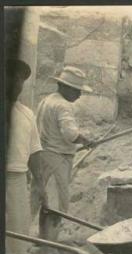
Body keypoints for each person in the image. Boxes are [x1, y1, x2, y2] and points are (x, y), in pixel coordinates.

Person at [30, 66, 94, 239]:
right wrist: (85, 140)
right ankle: (49, 244)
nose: (79, 95)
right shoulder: (63, 106)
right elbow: (70, 134)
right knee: (56, 204)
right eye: (77, 91)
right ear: (65, 87)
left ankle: (26, 238)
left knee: (39, 199)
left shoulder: (47, 100)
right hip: (56, 158)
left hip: (40, 157)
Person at [5, 58, 47, 254]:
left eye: (20, 79)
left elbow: (34, 150)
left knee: (18, 227)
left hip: (18, 179)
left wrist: (39, 183)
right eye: (12, 77)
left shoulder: (27, 114)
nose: (17, 84)